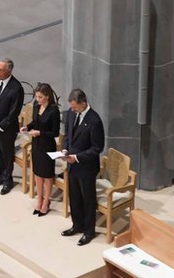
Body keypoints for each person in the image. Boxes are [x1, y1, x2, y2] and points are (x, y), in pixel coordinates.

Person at [60, 88, 105, 246]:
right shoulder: (72, 114)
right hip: (72, 165)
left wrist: (77, 157)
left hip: (86, 167)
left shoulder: (94, 120)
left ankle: (89, 231)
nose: (72, 109)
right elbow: (67, 136)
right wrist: (65, 149)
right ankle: (77, 225)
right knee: (75, 197)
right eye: (71, 106)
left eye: (75, 107)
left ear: (83, 103)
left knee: (88, 200)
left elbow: (97, 148)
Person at [0, 59, 24, 195]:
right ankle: (1, 175)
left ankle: (8, 180)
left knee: (7, 154)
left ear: (9, 71)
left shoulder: (16, 88)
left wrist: (0, 126)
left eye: (1, 70)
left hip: (6, 129)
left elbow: (14, 112)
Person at [21, 83, 61, 216]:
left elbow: (55, 132)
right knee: (37, 172)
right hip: (37, 144)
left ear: (47, 96)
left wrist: (39, 133)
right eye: (36, 97)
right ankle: (39, 199)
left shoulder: (53, 110)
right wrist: (27, 127)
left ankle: (46, 201)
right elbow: (34, 122)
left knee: (47, 175)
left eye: (40, 97)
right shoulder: (36, 106)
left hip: (47, 146)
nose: (37, 99)